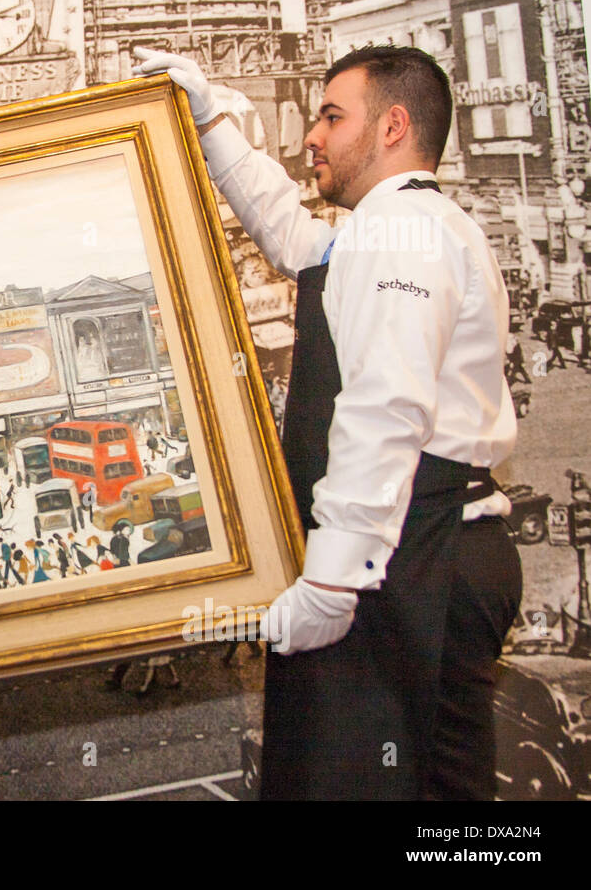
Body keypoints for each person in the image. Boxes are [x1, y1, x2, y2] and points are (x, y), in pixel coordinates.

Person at [137, 45, 522, 799]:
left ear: (393, 126)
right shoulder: (391, 231)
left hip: (412, 561)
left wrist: (334, 584)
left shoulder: (401, 231)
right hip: (423, 551)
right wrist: (212, 120)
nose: (312, 135)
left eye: (332, 116)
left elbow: (385, 409)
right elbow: (292, 237)